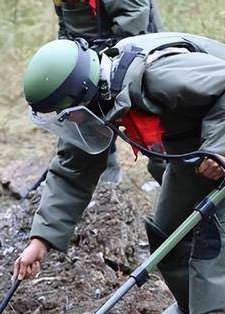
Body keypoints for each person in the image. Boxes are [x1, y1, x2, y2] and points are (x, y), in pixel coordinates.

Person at [14, 32, 225, 314]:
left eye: (66, 115)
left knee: (211, 240)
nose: (68, 123)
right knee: (166, 234)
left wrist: (218, 147)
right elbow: (74, 168)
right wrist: (40, 240)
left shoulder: (155, 75)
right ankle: (193, 310)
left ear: (82, 95)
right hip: (195, 142)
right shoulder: (98, 101)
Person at [52, 0, 167, 183]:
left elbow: (134, 28)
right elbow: (65, 27)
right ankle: (107, 186)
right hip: (88, 65)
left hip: (133, 60)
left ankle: (190, 200)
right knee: (82, 143)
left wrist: (100, 65)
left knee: (158, 141)